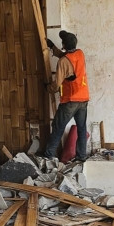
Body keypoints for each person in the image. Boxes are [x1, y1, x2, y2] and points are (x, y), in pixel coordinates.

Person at [41, 30, 89, 162]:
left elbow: (56, 85)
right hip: (83, 98)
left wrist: (47, 88)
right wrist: (52, 48)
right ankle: (81, 156)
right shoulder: (80, 54)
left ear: (64, 45)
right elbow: (67, 57)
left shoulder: (63, 62)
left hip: (70, 100)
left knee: (58, 127)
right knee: (82, 128)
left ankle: (49, 155)